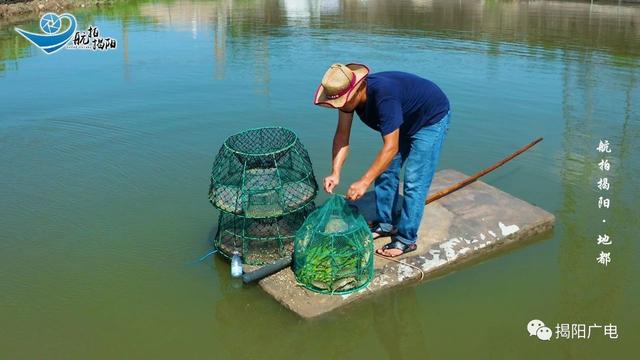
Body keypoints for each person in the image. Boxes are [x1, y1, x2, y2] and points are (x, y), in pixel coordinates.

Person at [313, 63, 451, 257]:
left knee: (414, 181)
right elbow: (342, 136)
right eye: (338, 103)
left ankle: (406, 239)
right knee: (386, 171)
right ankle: (386, 224)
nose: (341, 106)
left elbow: (391, 147)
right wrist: (335, 172)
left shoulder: (384, 97)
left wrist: (364, 181)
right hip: (402, 118)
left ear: (358, 88)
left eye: (344, 101)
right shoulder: (347, 100)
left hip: (429, 119)